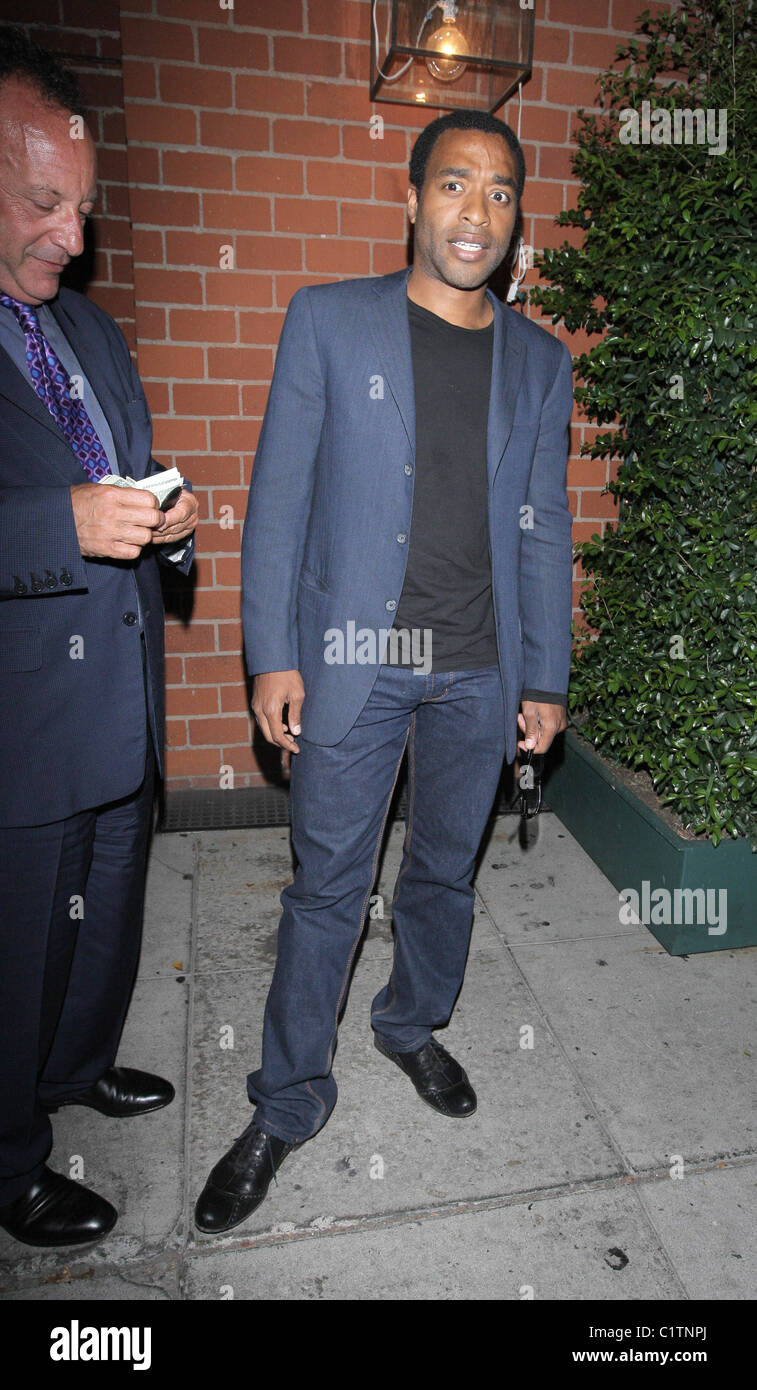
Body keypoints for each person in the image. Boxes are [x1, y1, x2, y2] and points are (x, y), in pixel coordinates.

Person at [196, 109, 573, 1235]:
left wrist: (543, 677)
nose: (477, 211)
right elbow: (279, 505)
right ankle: (287, 1100)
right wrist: (273, 655)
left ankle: (411, 1025)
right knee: (326, 889)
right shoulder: (328, 323)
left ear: (515, 219)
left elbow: (544, 529)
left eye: (500, 192)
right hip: (355, 663)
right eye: (454, 185)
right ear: (412, 201)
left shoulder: (541, 362)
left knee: (445, 877)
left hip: (478, 671)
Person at [0, 29, 198, 1248]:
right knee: (17, 949)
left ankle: (73, 1072)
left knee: (104, 917)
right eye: (42, 204)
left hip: (120, 707)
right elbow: (63, 511)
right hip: (22, 727)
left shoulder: (92, 332)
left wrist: (168, 526)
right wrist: (58, 524)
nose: (73, 239)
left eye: (85, 209)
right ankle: (12, 1163)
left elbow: (122, 472)